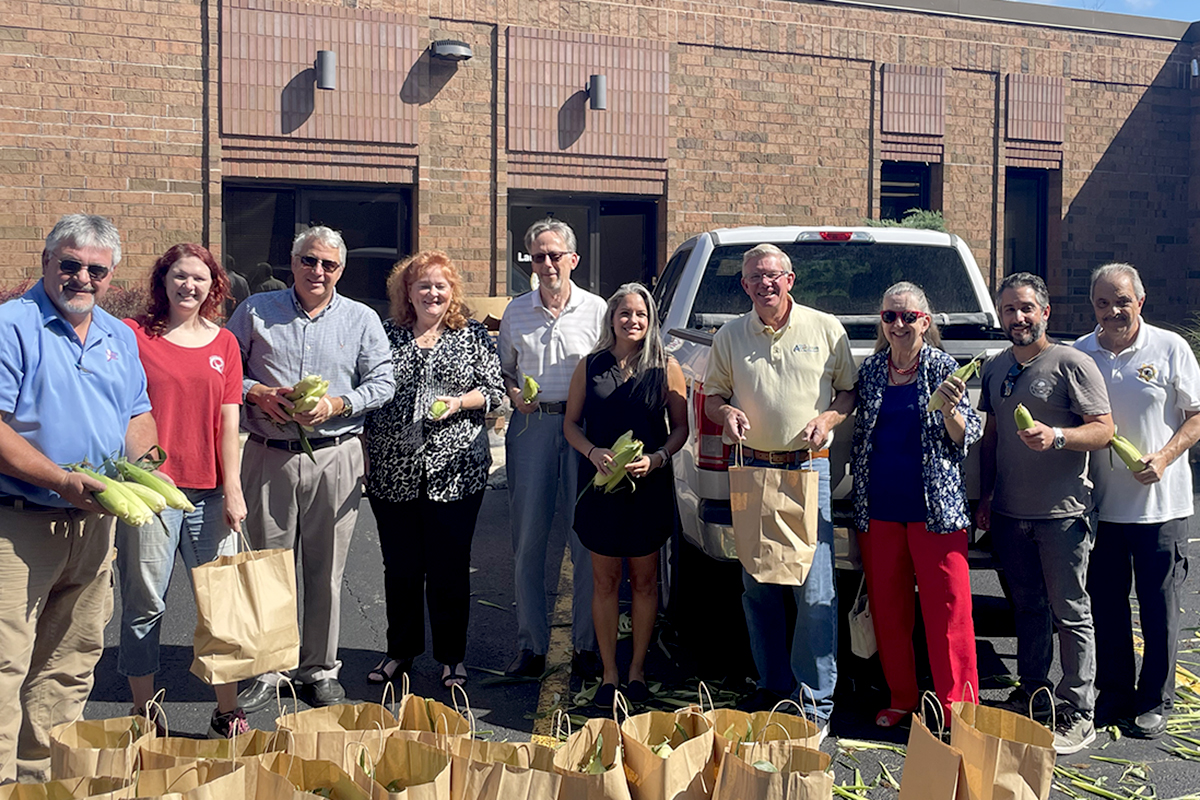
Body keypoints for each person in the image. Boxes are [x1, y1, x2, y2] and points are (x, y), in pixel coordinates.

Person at [0, 214, 157, 782]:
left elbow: (138, 412)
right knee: (6, 660)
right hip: (20, 522)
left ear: (111, 276)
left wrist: (142, 469)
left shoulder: (118, 335)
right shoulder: (12, 326)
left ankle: (40, 778)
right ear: (46, 262)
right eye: (69, 264)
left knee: (70, 659)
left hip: (95, 525)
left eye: (96, 269)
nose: (81, 277)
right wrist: (60, 479)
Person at [228, 225, 394, 712]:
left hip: (335, 454)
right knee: (267, 567)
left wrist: (340, 403)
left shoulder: (362, 319)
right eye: (308, 261)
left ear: (340, 270)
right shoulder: (256, 311)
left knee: (326, 571)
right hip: (268, 451)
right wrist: (256, 392)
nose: (317, 271)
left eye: (328, 264)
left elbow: (383, 380)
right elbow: (224, 368)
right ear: (292, 263)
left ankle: (318, 668)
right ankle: (269, 667)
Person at [703, 243, 856, 733]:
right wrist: (726, 413)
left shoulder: (825, 327)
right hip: (752, 470)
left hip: (808, 469)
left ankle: (815, 705)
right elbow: (712, 397)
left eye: (773, 275)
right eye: (754, 278)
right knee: (758, 587)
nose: (764, 284)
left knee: (814, 593)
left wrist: (829, 417)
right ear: (744, 285)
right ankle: (771, 687)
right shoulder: (730, 334)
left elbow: (848, 391)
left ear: (791, 280)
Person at [977, 272, 1113, 755]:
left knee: (1071, 612)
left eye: (1026, 308)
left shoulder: (1071, 363)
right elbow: (991, 438)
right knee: (1028, 608)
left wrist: (1058, 437)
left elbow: (1104, 429)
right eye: (1009, 309)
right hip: (1012, 513)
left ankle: (1079, 709)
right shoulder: (996, 368)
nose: (1018, 318)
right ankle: (1033, 690)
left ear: (1045, 312)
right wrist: (986, 496)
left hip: (1062, 515)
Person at [116, 243, 249, 739]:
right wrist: (150, 470)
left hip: (212, 496)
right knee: (145, 605)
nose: (188, 285)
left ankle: (227, 709)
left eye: (198, 277)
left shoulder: (225, 345)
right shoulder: (134, 336)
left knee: (220, 604)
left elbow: (228, 419)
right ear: (164, 280)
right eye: (179, 275)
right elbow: (127, 409)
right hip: (152, 495)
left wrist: (233, 488)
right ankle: (142, 711)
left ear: (213, 285)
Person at [363, 251, 504, 689]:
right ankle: (399, 652)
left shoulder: (472, 335)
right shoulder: (385, 335)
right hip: (393, 468)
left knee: (449, 566)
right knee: (400, 566)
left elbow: (495, 392)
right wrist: (365, 454)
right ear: (407, 291)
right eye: (422, 285)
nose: (432, 293)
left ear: (452, 291)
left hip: (457, 470)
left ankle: (451, 657)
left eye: (440, 285)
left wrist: (459, 402)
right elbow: (367, 393)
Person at [1074, 263, 1200, 738]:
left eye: (1122, 301)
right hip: (1103, 505)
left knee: (1158, 605)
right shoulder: (1081, 353)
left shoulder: (1170, 348)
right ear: (1093, 306)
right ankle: (1116, 692)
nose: (1113, 311)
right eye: (1103, 303)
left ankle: (1155, 699)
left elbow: (1196, 415)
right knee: (1106, 604)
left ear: (1140, 301)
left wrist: (1166, 456)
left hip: (1161, 506)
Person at [850, 282, 981, 725]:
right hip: (880, 508)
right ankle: (902, 698)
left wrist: (949, 411)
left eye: (908, 317)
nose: (899, 325)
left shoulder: (944, 368)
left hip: (936, 512)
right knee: (889, 610)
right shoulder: (870, 372)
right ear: (881, 322)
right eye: (890, 317)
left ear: (925, 321)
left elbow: (969, 433)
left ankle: (956, 710)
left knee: (949, 614)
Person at [564, 283, 687, 706]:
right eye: (625, 314)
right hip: (601, 487)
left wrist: (657, 459)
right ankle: (609, 673)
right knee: (605, 580)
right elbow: (571, 425)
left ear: (650, 321)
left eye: (641, 315)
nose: (632, 321)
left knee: (645, 581)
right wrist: (593, 452)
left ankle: (636, 671)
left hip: (646, 488)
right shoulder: (590, 366)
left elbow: (682, 429)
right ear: (611, 318)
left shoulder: (666, 367)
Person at [498, 218, 606, 679]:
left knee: (585, 540)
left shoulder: (598, 309)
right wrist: (512, 393)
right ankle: (532, 646)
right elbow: (503, 370)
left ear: (573, 260)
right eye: (537, 256)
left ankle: (585, 644)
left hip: (582, 430)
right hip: (532, 427)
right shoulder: (516, 311)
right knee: (529, 541)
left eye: (554, 255)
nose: (546, 264)